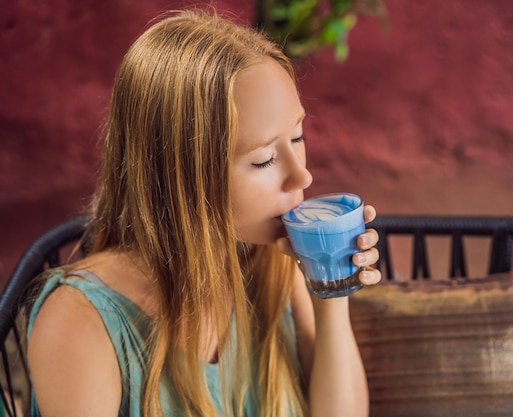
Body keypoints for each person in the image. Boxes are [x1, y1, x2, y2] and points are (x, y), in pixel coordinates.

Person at [25, 8, 381, 417]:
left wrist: (330, 290)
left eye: (298, 135)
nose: (302, 175)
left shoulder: (272, 264)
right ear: (180, 174)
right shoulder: (79, 322)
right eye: (264, 159)